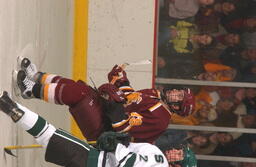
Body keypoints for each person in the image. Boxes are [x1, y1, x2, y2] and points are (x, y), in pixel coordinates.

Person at [15, 57, 195, 143]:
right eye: (178, 91)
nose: (175, 92)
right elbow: (128, 96)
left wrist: (113, 101)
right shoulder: (154, 94)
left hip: (103, 132)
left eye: (179, 96)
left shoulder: (161, 119)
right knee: (77, 87)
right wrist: (120, 79)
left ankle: (31, 90)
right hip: (105, 115)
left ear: (177, 106)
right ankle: (37, 77)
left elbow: (124, 129)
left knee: (80, 94)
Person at [0, 91, 168, 167]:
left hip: (91, 160)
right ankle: (11, 108)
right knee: (48, 136)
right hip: (92, 159)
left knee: (47, 134)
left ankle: (10, 107)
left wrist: (115, 145)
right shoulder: (157, 154)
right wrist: (115, 141)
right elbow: (128, 146)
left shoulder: (157, 154)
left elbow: (125, 158)